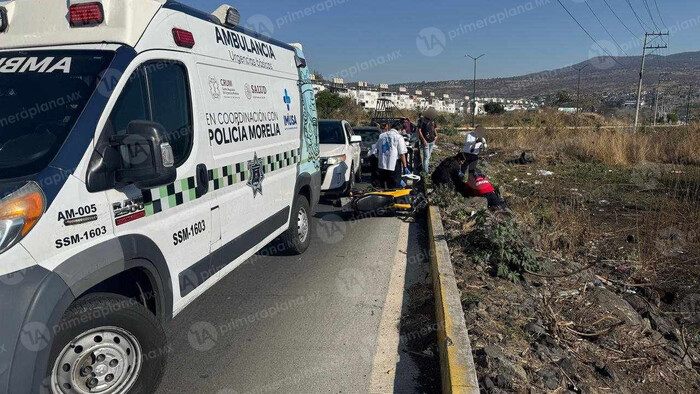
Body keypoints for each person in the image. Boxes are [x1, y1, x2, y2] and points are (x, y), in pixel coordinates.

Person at [375, 120, 409, 189]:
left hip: (382, 165)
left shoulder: (382, 136)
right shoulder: (399, 137)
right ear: (400, 129)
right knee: (394, 187)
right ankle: (393, 199)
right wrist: (405, 167)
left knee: (383, 187)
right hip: (393, 166)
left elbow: (377, 149)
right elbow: (402, 153)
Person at [418, 107, 438, 173]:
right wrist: (423, 140)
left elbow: (434, 128)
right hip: (425, 141)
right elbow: (419, 130)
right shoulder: (422, 120)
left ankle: (425, 169)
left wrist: (436, 135)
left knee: (428, 157)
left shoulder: (433, 120)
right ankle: (425, 172)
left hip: (432, 140)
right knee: (426, 157)